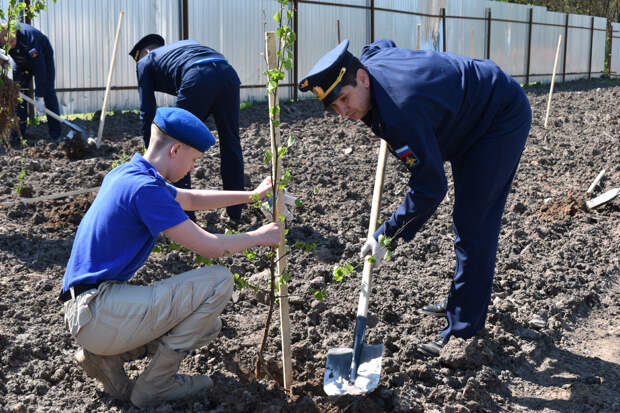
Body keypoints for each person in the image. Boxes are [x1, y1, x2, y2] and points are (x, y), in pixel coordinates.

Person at [299, 39, 531, 356]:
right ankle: (460, 304)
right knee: (468, 223)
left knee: (473, 224)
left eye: (344, 98)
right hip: (460, 117)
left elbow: (430, 187)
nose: (343, 112)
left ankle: (462, 333)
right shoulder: (369, 62)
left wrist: (388, 234)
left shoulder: (401, 112)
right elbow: (380, 45)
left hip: (496, 118)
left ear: (363, 78)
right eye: (334, 106)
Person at [59, 106, 282, 407]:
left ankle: (103, 357)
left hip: (88, 310)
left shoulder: (128, 173)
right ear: (176, 149)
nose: (192, 169)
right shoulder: (144, 189)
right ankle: (155, 386)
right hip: (99, 311)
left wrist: (250, 196)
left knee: (208, 326)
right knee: (219, 280)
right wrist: (261, 236)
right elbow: (210, 248)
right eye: (193, 160)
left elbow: (190, 199)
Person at [129, 34, 244, 221]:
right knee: (231, 143)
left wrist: (150, 150)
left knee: (177, 144)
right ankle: (235, 213)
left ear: (146, 52)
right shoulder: (184, 47)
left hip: (197, 76)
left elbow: (147, 112)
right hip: (227, 73)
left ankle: (184, 217)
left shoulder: (145, 62)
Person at [0, 22, 61, 141]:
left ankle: (55, 135)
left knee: (48, 93)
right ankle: (18, 134)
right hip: (20, 62)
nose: (10, 46)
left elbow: (40, 69)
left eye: (11, 42)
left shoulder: (30, 39)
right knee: (18, 94)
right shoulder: (2, 37)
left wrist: (39, 96)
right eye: (6, 44)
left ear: (14, 32)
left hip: (42, 59)